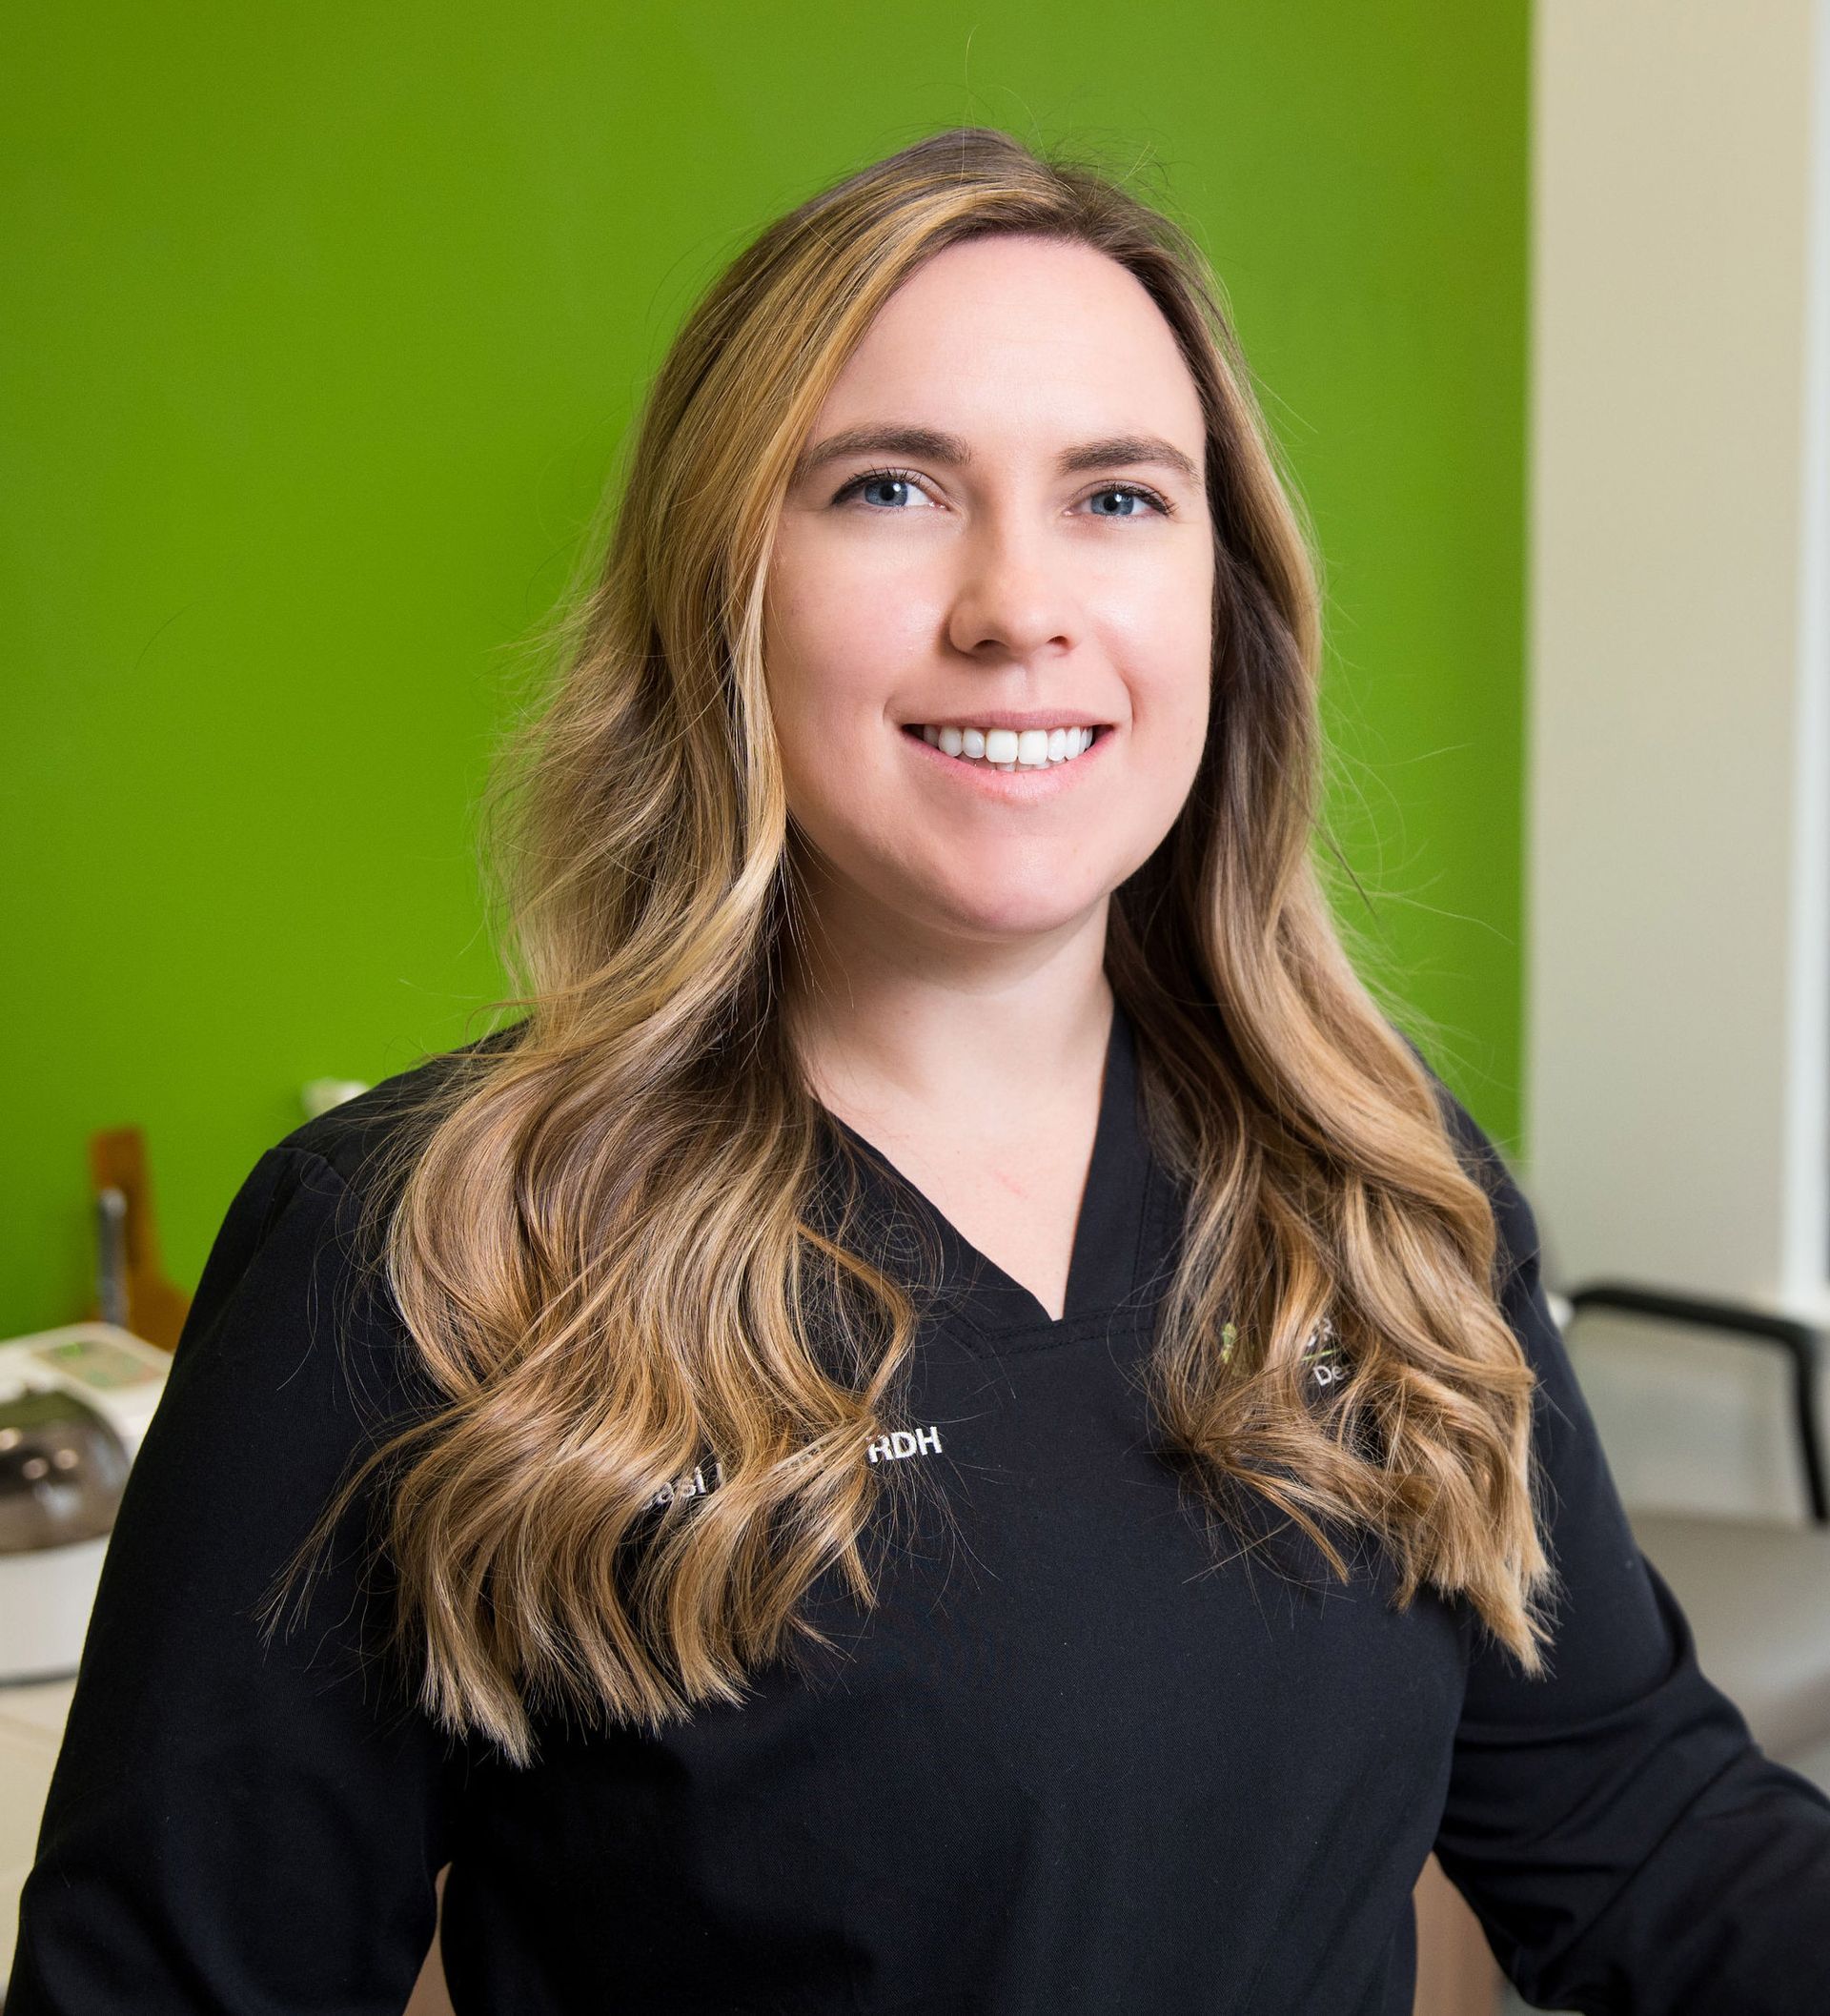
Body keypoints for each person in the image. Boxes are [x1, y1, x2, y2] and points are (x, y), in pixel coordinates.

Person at [11, 125, 1830, 2016]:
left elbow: (1640, 1817)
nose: (1016, 604)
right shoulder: (425, 1251)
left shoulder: (1374, 1195)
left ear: (1231, 603)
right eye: (891, 487)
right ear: (721, 587)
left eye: (1120, 497)